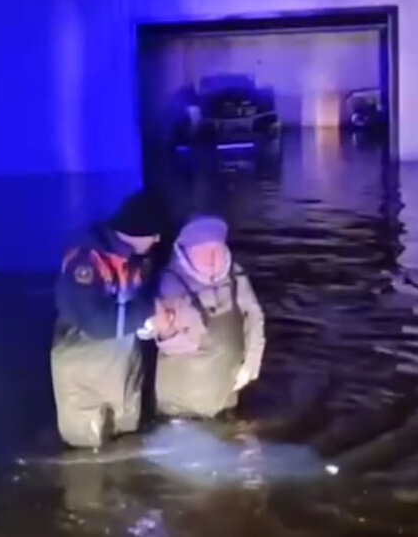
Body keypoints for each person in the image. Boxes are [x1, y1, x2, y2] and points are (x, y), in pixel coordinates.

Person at [51, 188, 174, 449]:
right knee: (88, 467)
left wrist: (151, 325)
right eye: (154, 234)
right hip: (86, 382)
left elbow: (130, 314)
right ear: (139, 231)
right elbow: (95, 322)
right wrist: (149, 311)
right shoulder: (85, 261)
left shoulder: (133, 261)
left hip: (123, 374)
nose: (157, 240)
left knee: (126, 458)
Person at [153, 215, 266, 418]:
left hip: (227, 398)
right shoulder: (171, 284)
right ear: (185, 253)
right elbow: (184, 341)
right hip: (180, 408)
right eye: (203, 252)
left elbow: (254, 316)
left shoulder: (236, 276)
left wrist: (251, 365)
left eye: (217, 250)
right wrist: (169, 330)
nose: (212, 259)